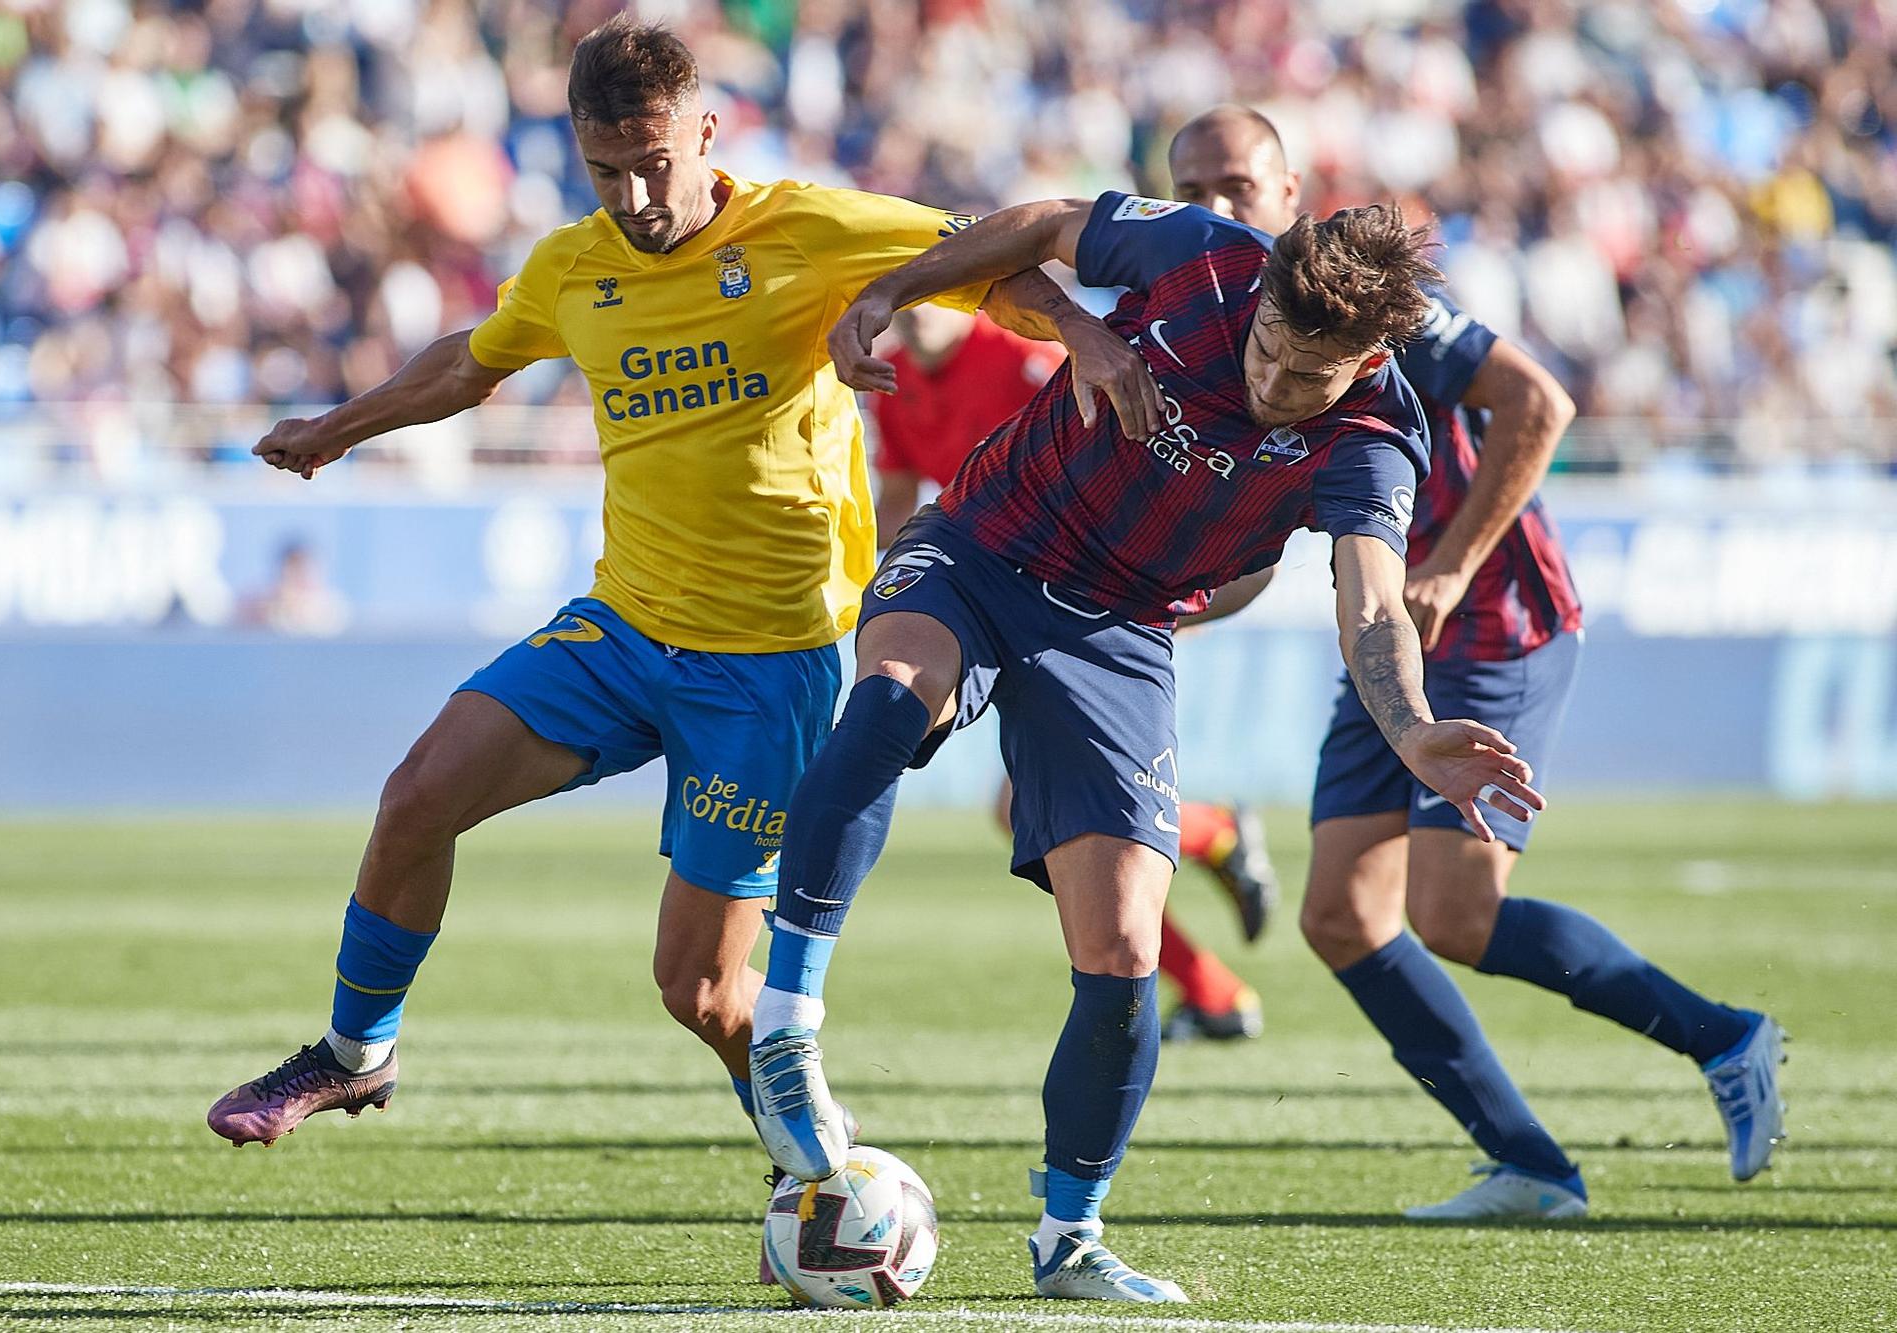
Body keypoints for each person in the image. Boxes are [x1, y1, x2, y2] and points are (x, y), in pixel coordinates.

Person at [201, 18, 1151, 1167]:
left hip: (771, 665)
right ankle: (357, 1054)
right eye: (607, 170)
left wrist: (1085, 333)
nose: (637, 194)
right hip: (623, 627)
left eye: (656, 163)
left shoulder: (808, 228)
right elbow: (471, 360)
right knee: (414, 796)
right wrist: (337, 430)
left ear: (706, 131)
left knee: (699, 990)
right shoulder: (571, 267)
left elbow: (992, 256)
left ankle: (827, 1173)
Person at [747, 194, 1547, 1302]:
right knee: (888, 699)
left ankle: (1067, 1236)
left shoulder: (1371, 439)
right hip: (983, 545)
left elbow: (1370, 610)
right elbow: (1036, 224)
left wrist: (1409, 729)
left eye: (1305, 375)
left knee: (1123, 949)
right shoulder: (1204, 257)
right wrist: (902, 291)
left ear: (1365, 357)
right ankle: (784, 1029)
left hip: (1118, 629)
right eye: (1267, 346)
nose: (1272, 381)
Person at [1166, 106, 1786, 1217]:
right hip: (1385, 639)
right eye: (1192, 189)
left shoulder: (1374, 303)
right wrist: (1158, 609)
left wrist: (1447, 568)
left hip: (1494, 614)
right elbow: (1262, 543)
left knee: (1452, 911)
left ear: (1288, 189)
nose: (1214, 210)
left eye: (1236, 186)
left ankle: (1723, 1039)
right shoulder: (1227, 330)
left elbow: (1537, 403)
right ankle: (1531, 1165)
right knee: (1340, 917)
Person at [874, 304, 1277, 1041]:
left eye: (931, 286)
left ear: (966, 290)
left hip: (1092, 598)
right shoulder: (896, 378)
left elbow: (1128, 449)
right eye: (901, 289)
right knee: (1037, 813)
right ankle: (1213, 931)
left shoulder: (1031, 357)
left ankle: (1213, 937)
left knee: (1042, 811)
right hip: (997, 603)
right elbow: (898, 495)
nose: (913, 308)